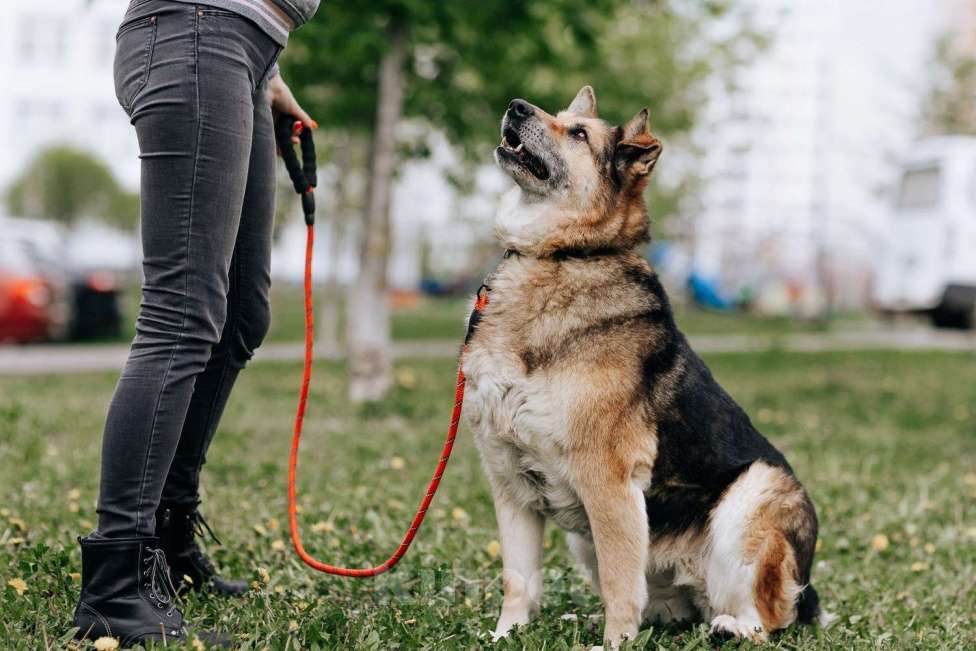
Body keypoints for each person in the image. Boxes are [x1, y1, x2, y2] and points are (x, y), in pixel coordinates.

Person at [73, 0, 320, 645]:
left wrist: (267, 74)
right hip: (196, 31)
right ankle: (115, 583)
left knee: (241, 315)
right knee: (181, 314)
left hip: (243, 53)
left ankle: (167, 539)